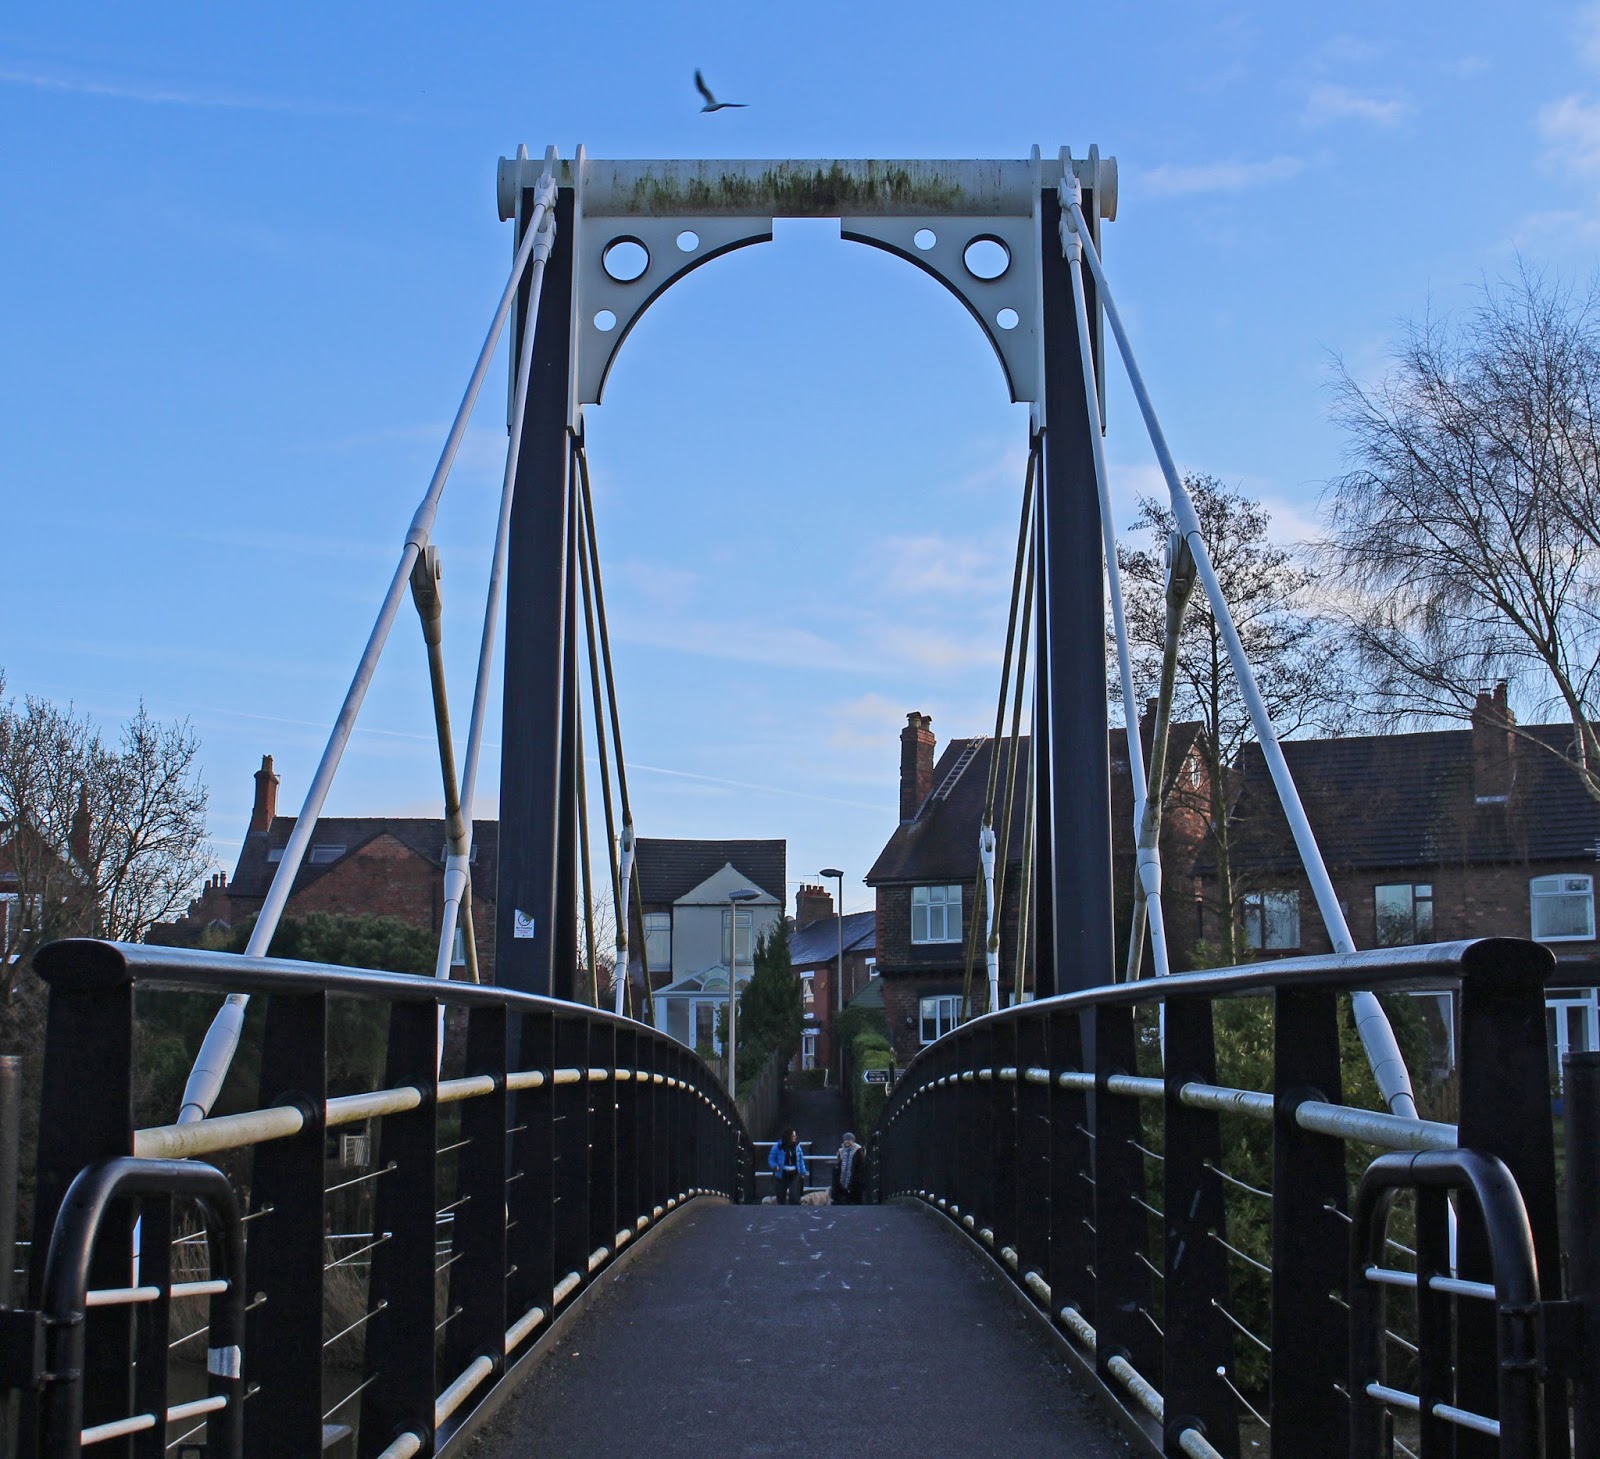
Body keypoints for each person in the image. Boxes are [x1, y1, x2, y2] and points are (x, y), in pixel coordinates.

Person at [768, 1129, 807, 1204]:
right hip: (782, 1173)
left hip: (794, 1173)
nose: (795, 1137)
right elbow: (771, 1159)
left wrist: (803, 1172)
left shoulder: (797, 1147)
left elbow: (800, 1160)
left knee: (793, 1195)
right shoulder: (777, 1147)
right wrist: (775, 1166)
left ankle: (794, 1211)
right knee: (781, 1195)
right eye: (793, 1136)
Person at [832, 1131, 865, 1205]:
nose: (847, 1142)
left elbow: (861, 1164)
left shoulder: (858, 1150)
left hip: (855, 1177)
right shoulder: (841, 1151)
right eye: (846, 1140)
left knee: (855, 1194)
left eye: (849, 1140)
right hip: (844, 1176)